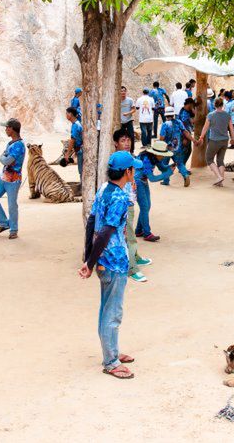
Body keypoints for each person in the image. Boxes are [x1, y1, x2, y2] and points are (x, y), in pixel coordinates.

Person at [79, 151, 140, 379]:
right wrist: (90, 262)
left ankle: (112, 351)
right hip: (113, 261)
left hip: (103, 261)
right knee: (113, 312)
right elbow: (105, 232)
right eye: (133, 169)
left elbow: (92, 223)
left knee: (108, 308)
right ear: (127, 172)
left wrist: (88, 258)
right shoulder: (120, 199)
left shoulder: (104, 189)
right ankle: (111, 361)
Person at [109, 129, 152, 283]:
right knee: (126, 236)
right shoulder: (115, 161)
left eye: (129, 140)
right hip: (122, 204)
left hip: (130, 201)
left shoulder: (129, 158)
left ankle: (135, 256)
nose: (127, 143)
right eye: (123, 140)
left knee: (131, 233)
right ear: (115, 143)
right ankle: (132, 268)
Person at [0, 118, 25, 240]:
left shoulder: (19, 145)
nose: (5, 130)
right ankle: (4, 223)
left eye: (7, 128)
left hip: (13, 180)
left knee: (12, 205)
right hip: (3, 177)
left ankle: (13, 230)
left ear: (12, 129)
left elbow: (7, 160)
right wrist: (4, 156)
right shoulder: (11, 143)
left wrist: (2, 157)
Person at [134, 140, 173, 242]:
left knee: (146, 206)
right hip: (137, 182)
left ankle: (139, 230)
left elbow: (163, 168)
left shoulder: (155, 157)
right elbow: (153, 179)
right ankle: (147, 233)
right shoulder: (146, 159)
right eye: (162, 154)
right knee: (145, 207)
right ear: (156, 153)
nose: (163, 156)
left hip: (143, 181)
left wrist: (171, 167)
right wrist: (169, 173)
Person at [199, 97, 234, 187]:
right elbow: (231, 128)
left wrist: (201, 137)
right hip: (225, 140)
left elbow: (205, 127)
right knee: (220, 160)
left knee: (209, 158)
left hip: (214, 140)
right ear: (222, 105)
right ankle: (220, 181)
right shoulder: (227, 115)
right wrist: (233, 138)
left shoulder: (211, 115)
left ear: (214, 105)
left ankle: (219, 177)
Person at [159, 106, 195, 187]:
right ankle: (185, 175)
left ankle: (166, 180)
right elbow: (185, 132)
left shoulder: (165, 124)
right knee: (180, 163)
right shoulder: (178, 122)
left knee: (165, 164)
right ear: (173, 115)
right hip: (177, 148)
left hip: (167, 149)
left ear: (165, 115)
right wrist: (193, 140)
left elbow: (162, 138)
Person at [64, 106, 84, 178]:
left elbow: (73, 140)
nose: (66, 115)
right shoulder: (77, 123)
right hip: (79, 149)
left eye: (67, 113)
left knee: (81, 171)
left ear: (70, 114)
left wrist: (67, 154)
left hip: (80, 150)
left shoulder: (75, 125)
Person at [178, 98, 196, 166]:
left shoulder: (184, 110)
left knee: (187, 151)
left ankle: (182, 166)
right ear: (190, 104)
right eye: (192, 105)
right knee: (186, 151)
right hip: (184, 134)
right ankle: (182, 167)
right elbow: (191, 123)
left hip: (185, 133)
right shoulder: (184, 114)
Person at [119, 86, 136, 152]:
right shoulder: (117, 100)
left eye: (124, 91)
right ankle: (122, 150)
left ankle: (132, 151)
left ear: (126, 92)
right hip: (120, 121)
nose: (123, 92)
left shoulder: (130, 100)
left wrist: (128, 113)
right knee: (121, 137)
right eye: (121, 91)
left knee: (131, 136)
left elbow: (134, 109)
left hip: (129, 120)